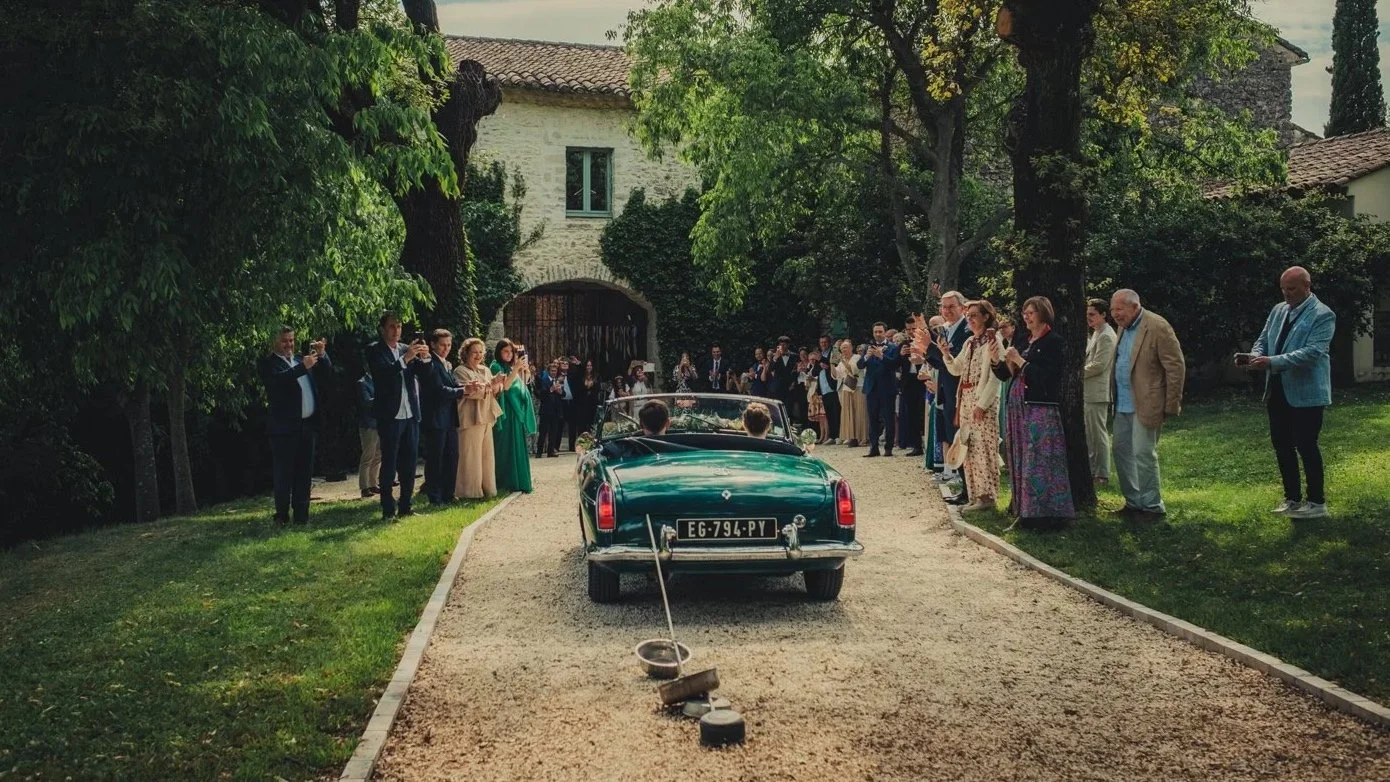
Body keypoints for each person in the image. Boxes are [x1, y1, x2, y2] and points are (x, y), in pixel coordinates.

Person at [1245, 266, 1336, 519]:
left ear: (1307, 286)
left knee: (1306, 445)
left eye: (1292, 289)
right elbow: (1263, 339)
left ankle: (1317, 503)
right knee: (1281, 445)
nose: (1286, 294)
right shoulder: (1278, 310)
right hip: (1277, 389)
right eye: (1283, 289)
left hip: (1307, 393)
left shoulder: (1323, 314)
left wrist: (1271, 362)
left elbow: (1312, 353)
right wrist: (1254, 355)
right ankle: (1292, 499)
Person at [994, 297, 1075, 528]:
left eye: (1031, 312)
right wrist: (995, 360)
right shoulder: (1024, 340)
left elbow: (1047, 376)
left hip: (1039, 408)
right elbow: (1005, 375)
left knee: (1038, 460)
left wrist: (1019, 361)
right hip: (1018, 407)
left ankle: (1043, 513)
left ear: (1043, 314)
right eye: (1025, 313)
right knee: (1021, 457)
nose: (1026, 317)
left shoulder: (1053, 342)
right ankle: (1023, 508)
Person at [1109, 289, 1186, 521]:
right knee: (1120, 451)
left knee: (1143, 453)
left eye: (1119, 309)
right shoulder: (1122, 327)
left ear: (1135, 306)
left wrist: (1171, 404)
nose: (1115, 314)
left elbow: (1175, 366)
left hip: (1147, 402)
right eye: (1112, 310)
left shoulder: (1157, 326)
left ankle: (1153, 507)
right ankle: (1134, 502)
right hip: (1122, 403)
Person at [258, 326, 331, 525]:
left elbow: (326, 373)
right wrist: (302, 368)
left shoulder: (300, 359)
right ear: (274, 342)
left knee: (304, 474)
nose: (289, 344)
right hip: (284, 429)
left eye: (291, 340)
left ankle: (301, 516)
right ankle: (281, 516)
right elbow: (278, 382)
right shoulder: (269, 363)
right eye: (284, 341)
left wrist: (322, 355)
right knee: (284, 474)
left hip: (307, 426)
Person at [939, 300, 1002, 512]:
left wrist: (982, 404)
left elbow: (995, 377)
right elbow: (957, 369)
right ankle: (974, 495)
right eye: (968, 316)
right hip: (965, 398)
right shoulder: (970, 342)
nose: (970, 319)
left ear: (986, 316)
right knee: (969, 447)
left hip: (981, 398)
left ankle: (987, 496)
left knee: (984, 447)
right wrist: (946, 354)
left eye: (974, 315)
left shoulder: (993, 340)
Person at [367, 313, 430, 521]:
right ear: (382, 329)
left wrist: (425, 358)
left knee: (409, 463)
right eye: (392, 326)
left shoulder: (405, 348)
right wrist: (405, 359)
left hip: (410, 412)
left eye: (399, 326)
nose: (396, 330)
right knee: (389, 463)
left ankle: (406, 506)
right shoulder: (375, 350)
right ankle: (387, 509)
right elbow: (383, 374)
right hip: (390, 415)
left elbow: (424, 375)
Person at [418, 329, 470, 505]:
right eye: (442, 345)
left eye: (449, 345)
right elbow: (438, 390)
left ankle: (449, 493)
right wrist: (463, 391)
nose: (446, 348)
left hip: (449, 418)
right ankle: (435, 496)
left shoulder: (446, 364)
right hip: (435, 418)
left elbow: (453, 384)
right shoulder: (429, 363)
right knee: (436, 459)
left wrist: (467, 386)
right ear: (432, 344)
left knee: (452, 456)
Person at [927, 290, 970, 497]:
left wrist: (929, 347)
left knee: (960, 437)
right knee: (950, 434)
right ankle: (961, 485)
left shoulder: (967, 330)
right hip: (946, 389)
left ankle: (966, 485)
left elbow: (955, 360)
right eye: (944, 307)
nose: (947, 311)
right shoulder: (944, 329)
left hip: (960, 389)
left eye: (951, 306)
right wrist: (927, 352)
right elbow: (942, 362)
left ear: (962, 307)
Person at [452, 337, 501, 499]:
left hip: (485, 416)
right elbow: (472, 392)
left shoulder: (485, 370)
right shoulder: (460, 371)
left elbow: (491, 391)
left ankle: (488, 489)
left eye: (480, 352)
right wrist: (490, 385)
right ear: (466, 353)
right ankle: (469, 492)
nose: (478, 355)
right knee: (470, 456)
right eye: (474, 352)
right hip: (469, 417)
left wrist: (496, 384)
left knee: (487, 455)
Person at [491, 339, 536, 494]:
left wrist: (525, 371)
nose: (509, 354)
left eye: (511, 351)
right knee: (505, 446)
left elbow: (522, 385)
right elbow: (506, 387)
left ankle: (519, 481)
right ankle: (505, 482)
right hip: (504, 411)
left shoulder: (511, 368)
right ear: (499, 352)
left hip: (516, 411)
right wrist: (516, 369)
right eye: (506, 351)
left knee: (517, 445)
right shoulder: (495, 366)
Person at [1083, 298, 1117, 485]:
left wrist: (1075, 374)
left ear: (1103, 314)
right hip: (1089, 391)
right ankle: (1093, 471)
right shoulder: (1097, 333)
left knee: (1098, 434)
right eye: (1087, 314)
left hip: (1097, 392)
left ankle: (1102, 474)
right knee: (1090, 434)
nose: (1089, 318)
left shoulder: (1106, 335)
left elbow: (1099, 365)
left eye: (1092, 314)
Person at [861, 322, 900, 457]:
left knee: (888, 418)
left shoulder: (893, 347)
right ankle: (873, 447)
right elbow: (860, 365)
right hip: (871, 388)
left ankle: (888, 448)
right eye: (875, 332)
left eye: (880, 332)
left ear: (885, 332)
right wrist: (866, 356)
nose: (877, 334)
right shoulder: (868, 347)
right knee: (872, 418)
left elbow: (895, 364)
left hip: (887, 387)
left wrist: (881, 356)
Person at [897, 314, 927, 457]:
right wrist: (901, 354)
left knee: (924, 414)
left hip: (924, 381)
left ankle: (929, 445)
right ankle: (916, 446)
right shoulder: (903, 344)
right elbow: (894, 363)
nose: (910, 332)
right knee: (912, 415)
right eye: (908, 329)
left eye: (913, 329)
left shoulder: (925, 341)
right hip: (909, 383)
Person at [832, 339, 867, 447]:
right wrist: (832, 364)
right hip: (847, 388)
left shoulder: (857, 357)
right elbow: (836, 375)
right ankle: (852, 437)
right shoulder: (841, 361)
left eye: (846, 347)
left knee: (860, 412)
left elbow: (855, 371)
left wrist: (843, 362)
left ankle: (862, 437)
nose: (844, 350)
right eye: (842, 348)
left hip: (859, 387)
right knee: (849, 413)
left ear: (851, 348)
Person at [356, 372, 381, 498]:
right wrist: (383, 397)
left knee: (378, 455)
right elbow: (366, 402)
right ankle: (364, 487)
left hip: (379, 423)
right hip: (368, 424)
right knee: (368, 455)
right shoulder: (362, 383)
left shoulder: (379, 380)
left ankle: (373, 483)